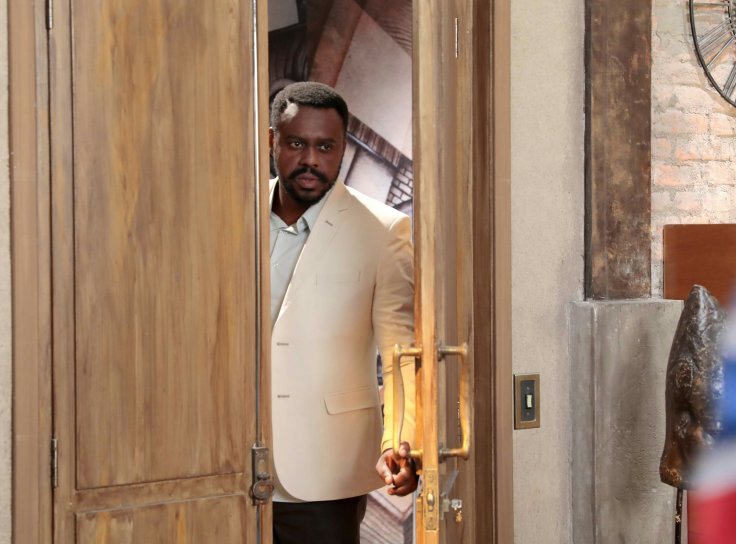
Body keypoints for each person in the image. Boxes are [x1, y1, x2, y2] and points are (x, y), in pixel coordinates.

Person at [268, 81, 417, 543]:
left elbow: (400, 353)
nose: (311, 160)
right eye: (296, 144)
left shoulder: (384, 231)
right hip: (227, 470)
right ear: (272, 141)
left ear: (343, 148)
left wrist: (401, 443)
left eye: (325, 147)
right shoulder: (229, 215)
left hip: (325, 474)